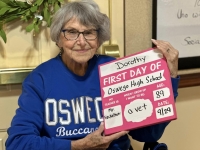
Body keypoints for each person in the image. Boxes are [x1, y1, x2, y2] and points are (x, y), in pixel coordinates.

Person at [5, 0, 180, 149]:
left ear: (99, 38)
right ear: (59, 38)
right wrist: (77, 146)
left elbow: (148, 134)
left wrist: (170, 77)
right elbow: (17, 143)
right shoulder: (40, 79)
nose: (81, 42)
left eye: (89, 32)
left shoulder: (114, 70)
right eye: (72, 32)